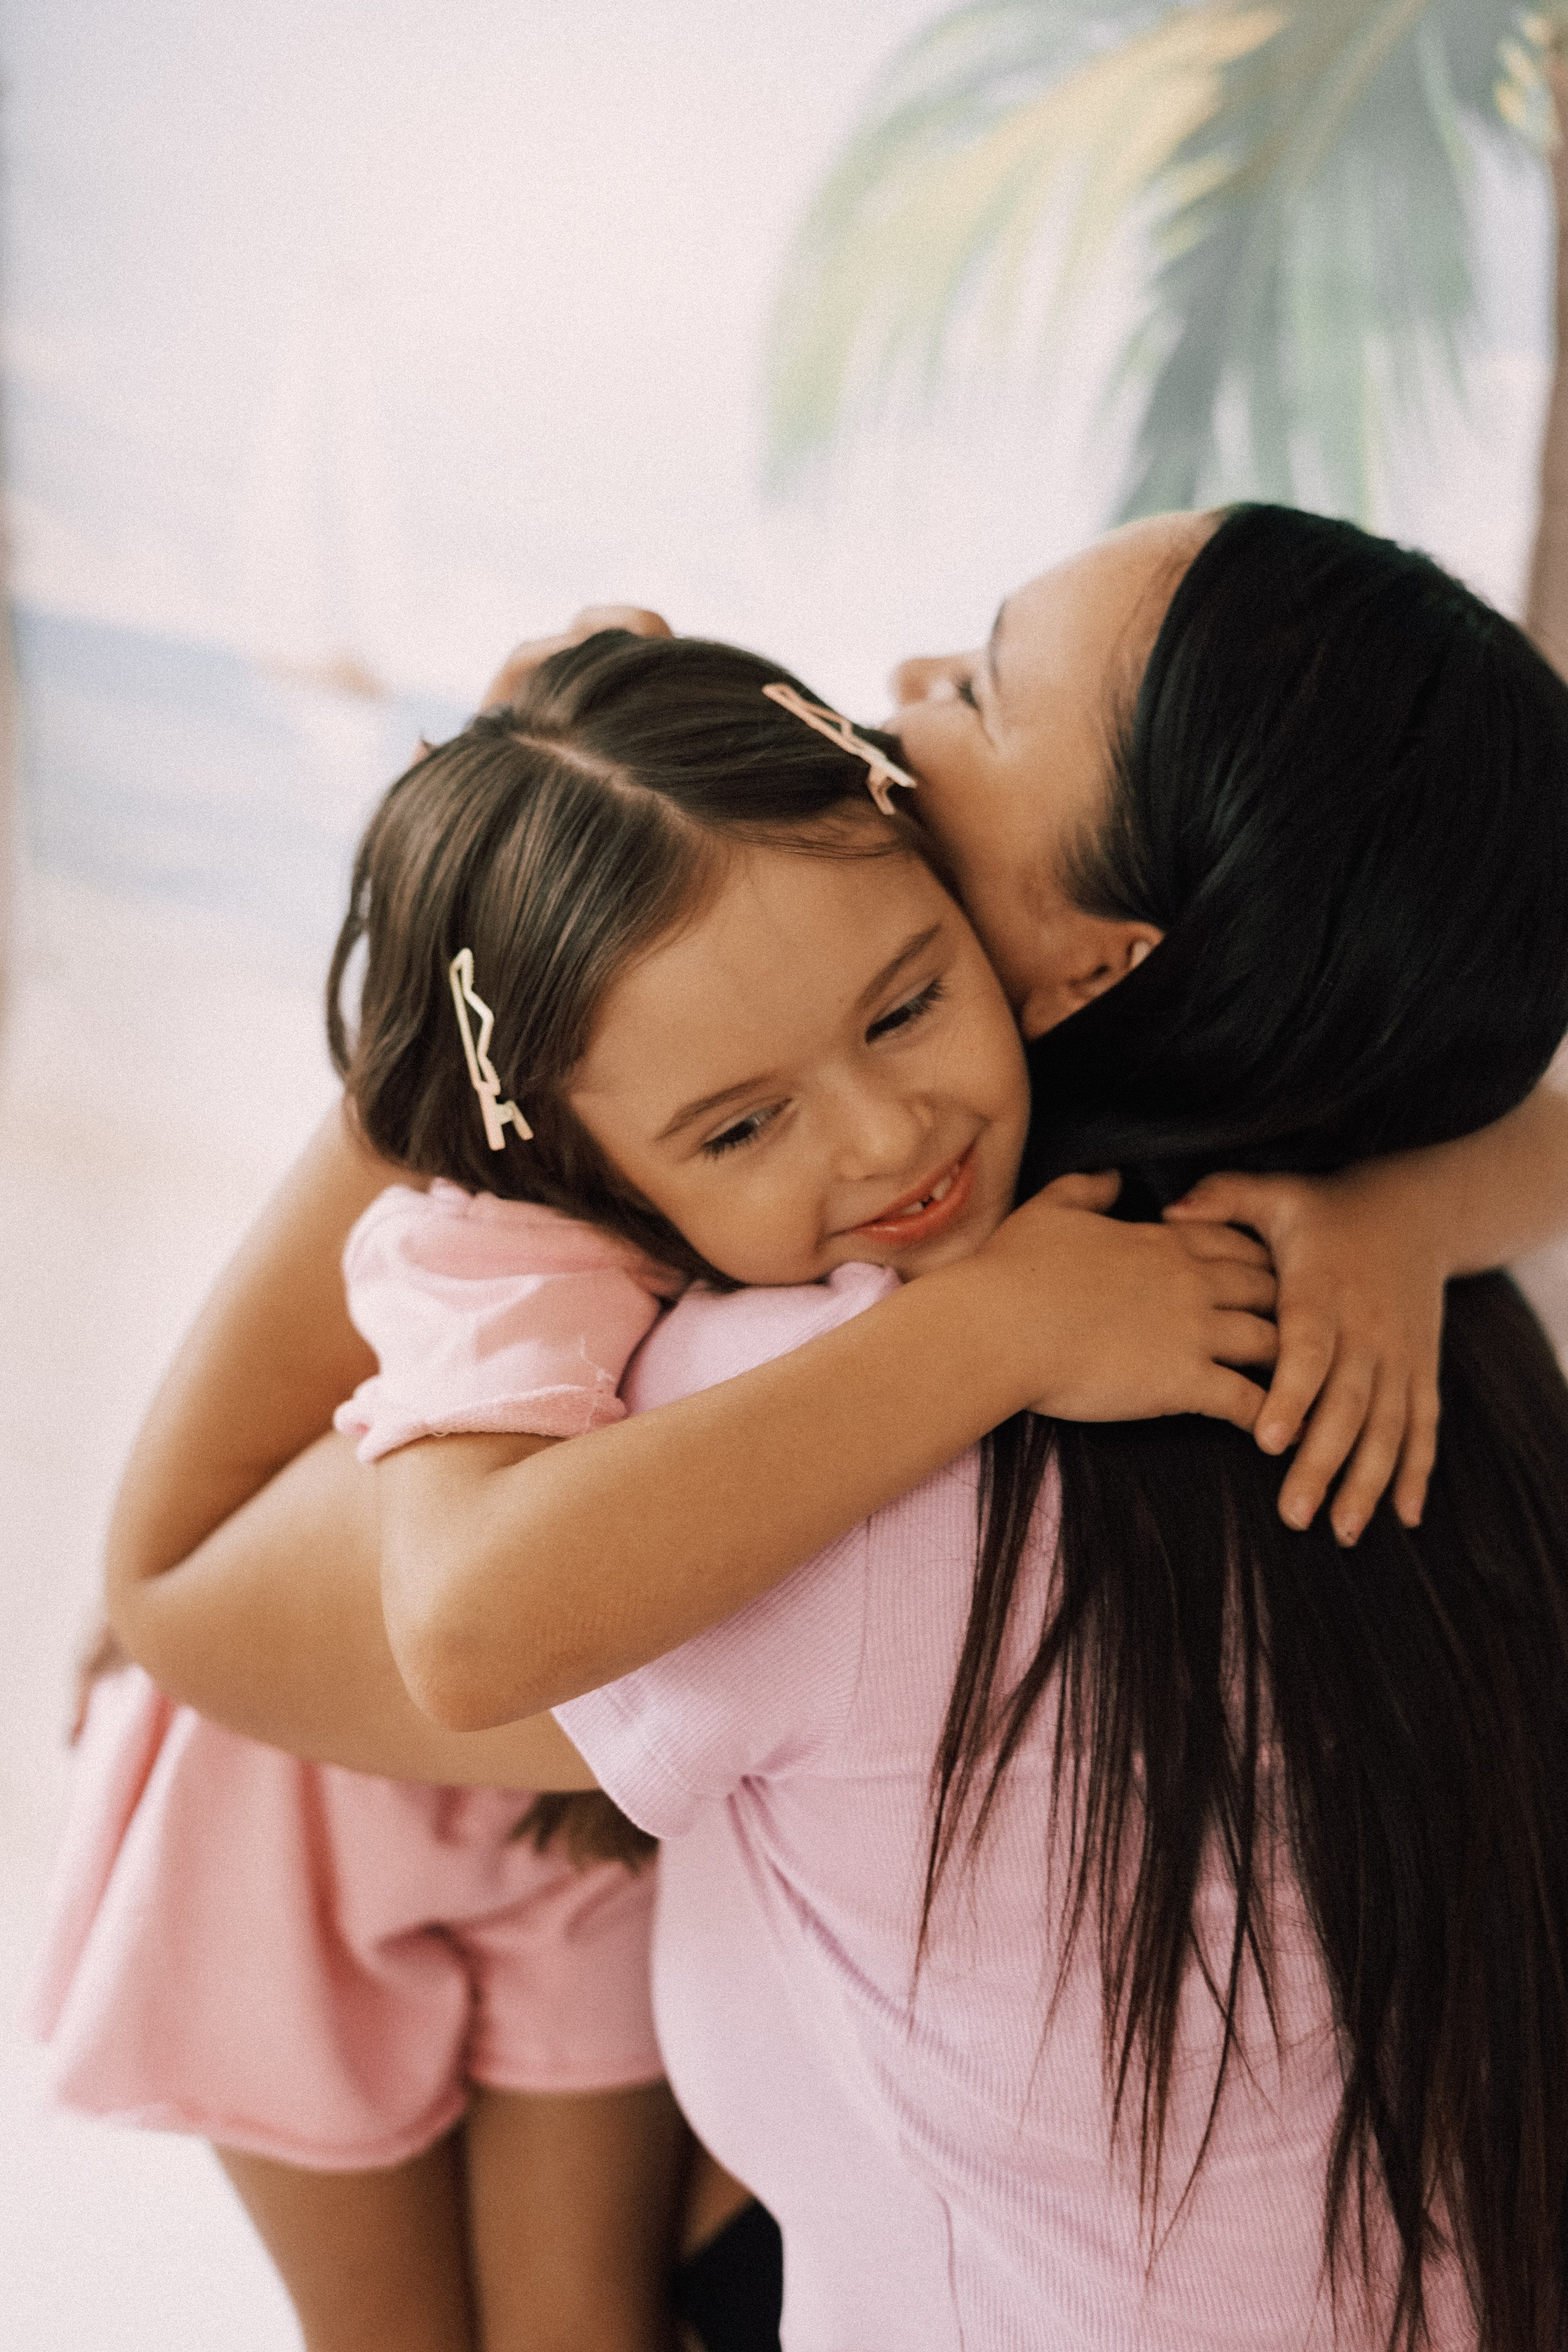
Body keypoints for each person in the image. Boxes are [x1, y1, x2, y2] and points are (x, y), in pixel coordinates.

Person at [105, 509, 1568, 2344]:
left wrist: (476, 967)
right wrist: (1429, 1208)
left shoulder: (836, 1408)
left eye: (973, 682)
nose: (888, 695)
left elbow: (178, 1584)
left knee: (241, 1751)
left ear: (1092, 962)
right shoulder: (1448, 1311)